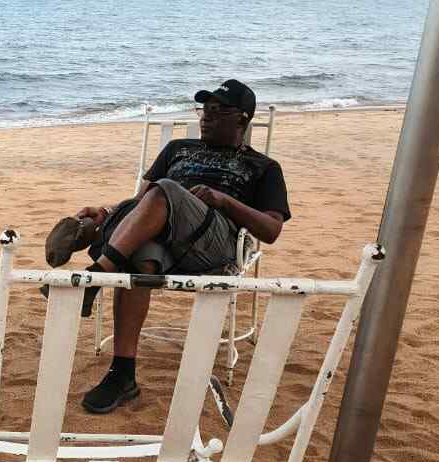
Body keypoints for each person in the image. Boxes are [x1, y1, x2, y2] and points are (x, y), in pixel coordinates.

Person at [44, 79, 291, 414]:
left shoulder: (263, 166)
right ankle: (122, 375)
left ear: (242, 119)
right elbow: (141, 201)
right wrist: (106, 212)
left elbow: (272, 230)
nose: (206, 117)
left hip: (213, 243)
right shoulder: (177, 149)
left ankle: (96, 274)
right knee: (138, 257)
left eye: (218, 111)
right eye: (204, 109)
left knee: (166, 189)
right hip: (163, 237)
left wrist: (223, 201)